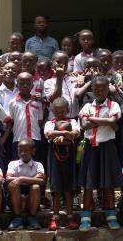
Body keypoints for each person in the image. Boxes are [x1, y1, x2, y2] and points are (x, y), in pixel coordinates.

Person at [79, 76, 121, 231]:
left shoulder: (113, 104)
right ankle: (85, 218)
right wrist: (106, 121)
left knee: (108, 183)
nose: (99, 91)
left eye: (103, 88)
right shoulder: (86, 106)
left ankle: (111, 217)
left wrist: (94, 120)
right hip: (90, 147)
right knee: (89, 184)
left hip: (107, 147)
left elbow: (113, 122)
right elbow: (84, 124)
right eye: (96, 88)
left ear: (107, 89)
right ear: (91, 89)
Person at [44, 97, 80, 230]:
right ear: (53, 111)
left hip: (69, 159)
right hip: (54, 159)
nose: (59, 114)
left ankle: (70, 217)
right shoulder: (49, 123)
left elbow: (75, 133)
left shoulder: (74, 121)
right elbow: (49, 134)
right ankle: (55, 218)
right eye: (57, 112)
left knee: (68, 189)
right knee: (56, 189)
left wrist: (62, 137)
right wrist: (65, 133)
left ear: (68, 110)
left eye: (62, 111)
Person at [6, 139, 45, 230]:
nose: (23, 153)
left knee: (35, 187)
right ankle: (17, 218)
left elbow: (41, 181)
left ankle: (32, 217)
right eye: (20, 151)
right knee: (14, 186)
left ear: (33, 151)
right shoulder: (13, 164)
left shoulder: (38, 165)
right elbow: (8, 178)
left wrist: (21, 179)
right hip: (16, 200)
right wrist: (31, 180)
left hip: (31, 201)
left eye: (26, 150)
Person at [8, 72, 43, 161]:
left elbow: (40, 121)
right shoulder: (13, 103)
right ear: (17, 85)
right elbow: (11, 122)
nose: (25, 86)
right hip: (18, 139)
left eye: (28, 84)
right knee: (17, 164)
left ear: (32, 86)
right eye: (22, 83)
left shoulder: (37, 103)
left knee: (35, 163)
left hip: (35, 138)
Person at [44, 51, 79, 119]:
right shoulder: (48, 82)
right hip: (56, 120)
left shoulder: (74, 79)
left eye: (65, 63)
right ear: (51, 64)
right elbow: (53, 99)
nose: (61, 65)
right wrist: (59, 77)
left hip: (73, 119)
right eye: (58, 62)